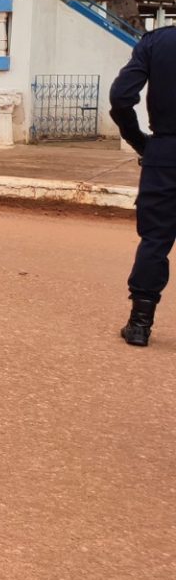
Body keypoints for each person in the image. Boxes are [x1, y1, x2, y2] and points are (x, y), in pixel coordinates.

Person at [109, 26, 176, 346]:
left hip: (165, 154)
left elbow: (121, 97)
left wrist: (139, 141)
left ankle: (139, 325)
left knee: (155, 239)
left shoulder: (157, 42)